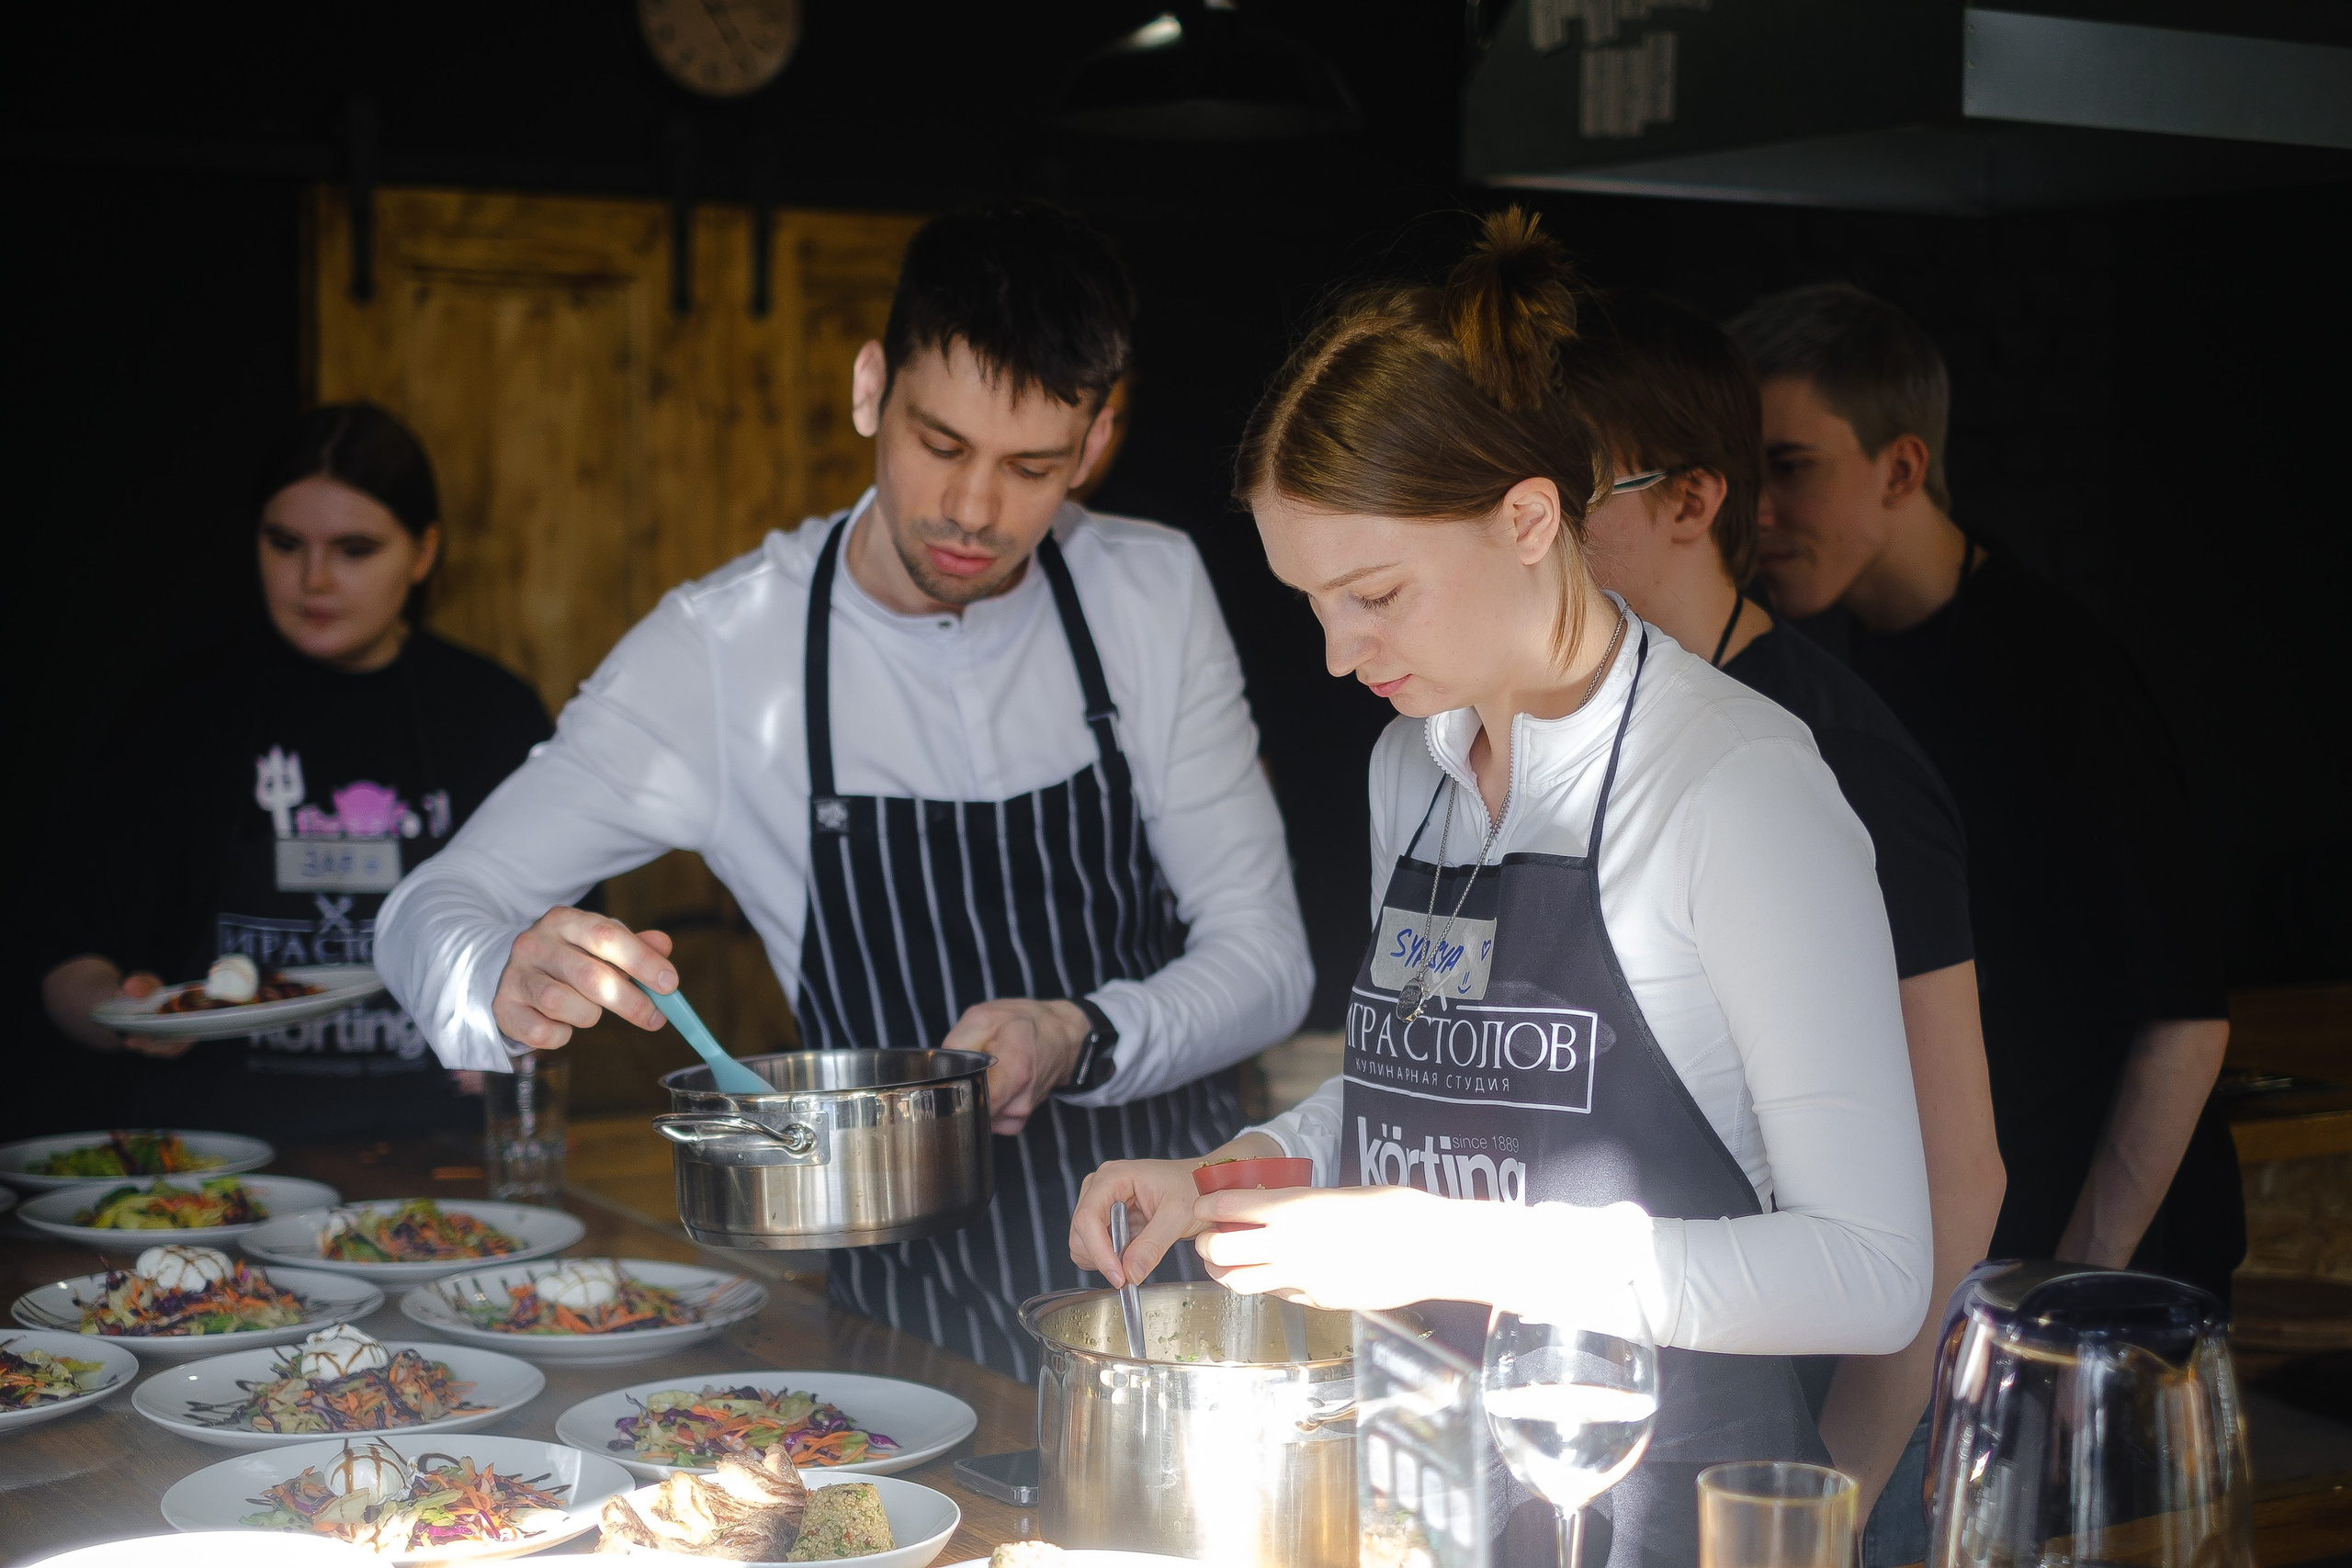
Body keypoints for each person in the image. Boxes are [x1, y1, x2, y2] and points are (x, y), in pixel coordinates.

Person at [1070, 211, 1929, 1568]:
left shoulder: (1734, 787)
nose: (1343, 654)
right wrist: (1231, 1177)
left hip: (1656, 1516)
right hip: (1429, 1499)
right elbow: (1433, 1087)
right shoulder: (1406, 769)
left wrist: (1456, 1243)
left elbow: (1875, 1272)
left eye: (1374, 593)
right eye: (1312, 603)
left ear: (1530, 516)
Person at [376, 201, 1313, 1380]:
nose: (974, 510)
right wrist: (493, 978)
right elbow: (429, 904)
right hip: (916, 1333)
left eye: (1030, 467)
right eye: (939, 444)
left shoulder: (1147, 594)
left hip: (1188, 1308)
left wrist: (1075, 1032)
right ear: (873, 388)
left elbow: (1269, 961)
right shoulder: (723, 653)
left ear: (1097, 437)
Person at [1562, 290, 2002, 1564]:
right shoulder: (1601, 731)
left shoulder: (1825, 755)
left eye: (1557, 497)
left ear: (1695, 502)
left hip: (1816, 1450)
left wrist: (1836, 1489)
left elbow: (1960, 1170)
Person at [1726, 284, 2240, 1307]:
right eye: (1747, 474)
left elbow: (2184, 1023)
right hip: (1958, 1269)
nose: (1761, 511)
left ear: (1902, 466)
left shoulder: (2059, 671)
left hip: (2106, 1288)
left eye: (1790, 468)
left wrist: (2068, 1289)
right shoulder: (1837, 660)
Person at [38, 403, 554, 1139]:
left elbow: (566, 937)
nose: (313, 579)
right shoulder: (178, 713)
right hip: (209, 1166)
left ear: (422, 551)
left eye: (354, 549)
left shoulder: (494, 715)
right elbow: (65, 952)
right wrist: (124, 1012)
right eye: (285, 544)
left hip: (436, 1159)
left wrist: (525, 1021)